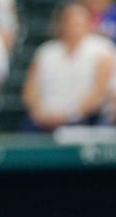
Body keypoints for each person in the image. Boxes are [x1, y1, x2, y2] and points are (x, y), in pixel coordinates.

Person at [22, 2, 113, 132]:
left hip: (84, 120)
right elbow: (29, 91)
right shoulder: (46, 51)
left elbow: (100, 92)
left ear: (88, 22)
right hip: (43, 120)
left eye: (78, 20)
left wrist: (69, 115)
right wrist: (39, 113)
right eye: (69, 19)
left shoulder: (102, 49)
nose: (73, 25)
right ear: (60, 23)